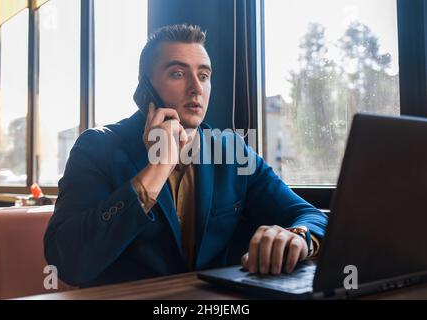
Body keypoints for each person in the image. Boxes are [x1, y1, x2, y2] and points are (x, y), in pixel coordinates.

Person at [44, 24, 328, 288]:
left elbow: (310, 215)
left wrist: (298, 235)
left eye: (204, 75)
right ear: (145, 88)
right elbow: (68, 260)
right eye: (178, 74)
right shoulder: (97, 147)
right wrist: (157, 169)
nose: (196, 88)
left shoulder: (231, 150)